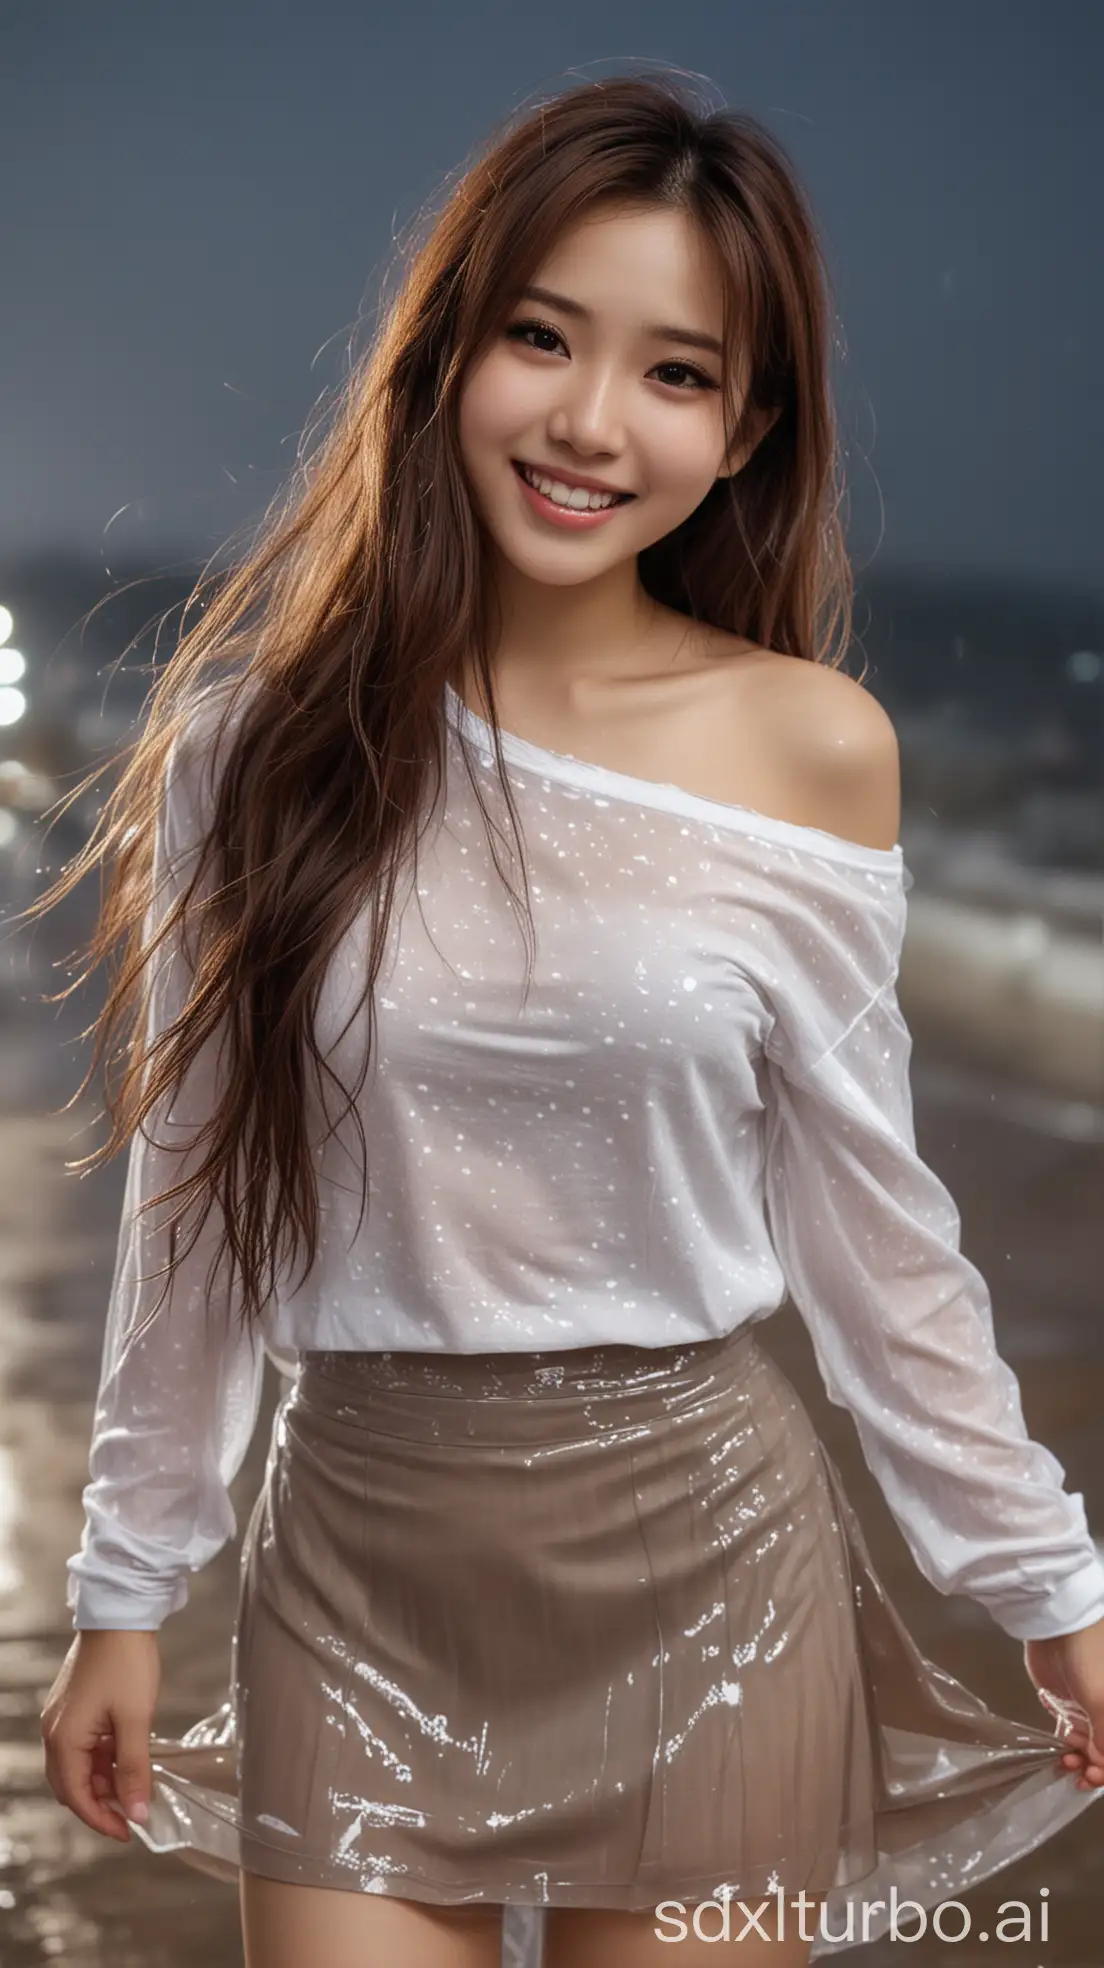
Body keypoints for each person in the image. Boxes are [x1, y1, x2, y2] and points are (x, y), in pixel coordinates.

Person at [35, 71, 1104, 1968]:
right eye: (542, 336)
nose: (594, 422)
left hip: (708, 1571)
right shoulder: (255, 755)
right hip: (355, 1573)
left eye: (678, 373)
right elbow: (196, 1201)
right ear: (449, 352)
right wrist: (123, 1588)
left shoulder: (807, 748)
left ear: (749, 426)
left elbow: (877, 1237)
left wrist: (1046, 1582)